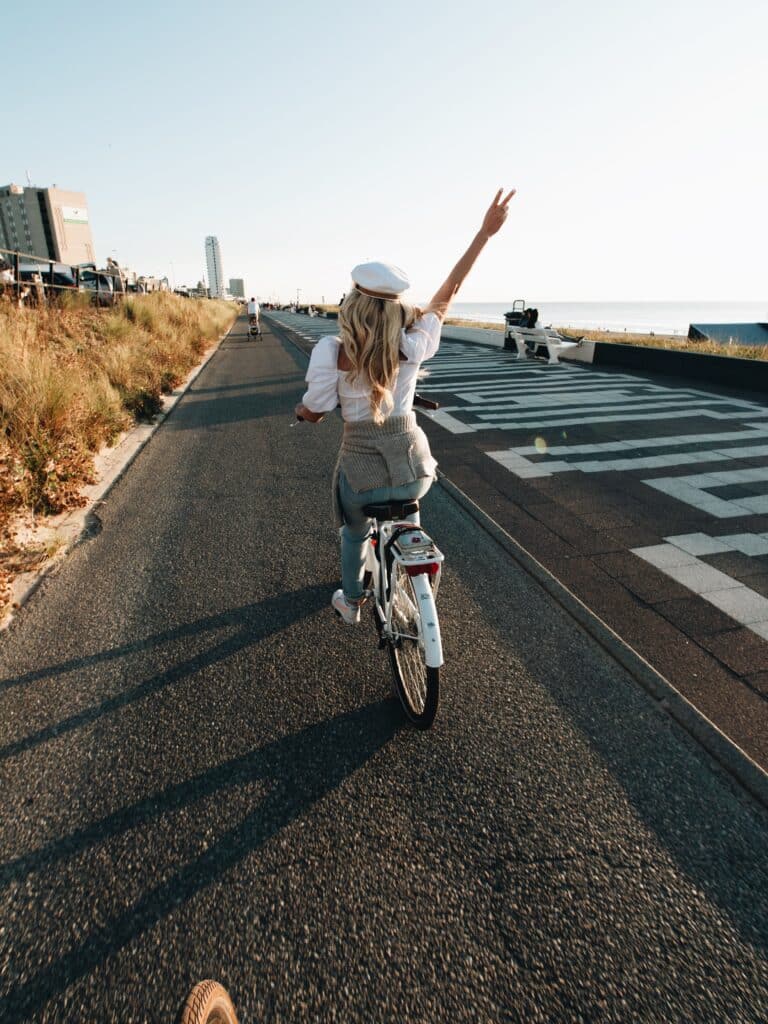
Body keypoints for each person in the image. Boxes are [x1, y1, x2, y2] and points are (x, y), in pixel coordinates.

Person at [295, 188, 515, 624]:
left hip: (362, 474)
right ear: (397, 309)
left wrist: (304, 414)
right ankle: (413, 575)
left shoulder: (330, 351)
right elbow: (450, 290)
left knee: (354, 531)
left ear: (353, 305)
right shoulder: (415, 344)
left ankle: (352, 602)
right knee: (409, 516)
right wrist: (483, 234)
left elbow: (316, 409)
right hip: (415, 468)